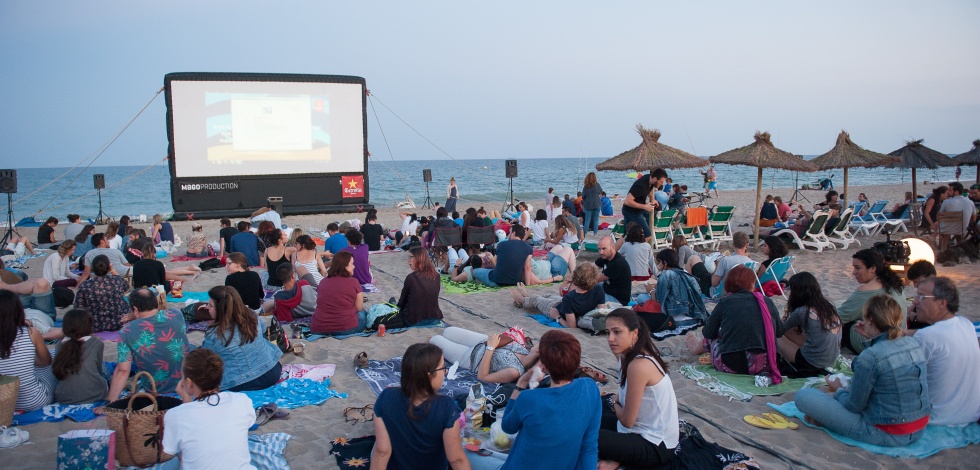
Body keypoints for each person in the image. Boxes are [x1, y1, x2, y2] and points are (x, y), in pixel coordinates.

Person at [795, 294, 929, 447]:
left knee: (804, 396)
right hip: (918, 427)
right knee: (828, 396)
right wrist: (872, 339)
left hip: (886, 431)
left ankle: (825, 418)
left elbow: (854, 405)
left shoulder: (871, 355)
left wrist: (839, 391)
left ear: (870, 320)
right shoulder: (912, 343)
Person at [499, 330, 600, 469]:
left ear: (544, 366)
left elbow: (507, 426)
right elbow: (589, 446)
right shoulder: (590, 388)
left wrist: (521, 383)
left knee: (470, 454)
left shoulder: (529, 398)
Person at [599, 309, 678, 469]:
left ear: (634, 333)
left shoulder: (639, 365)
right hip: (638, 429)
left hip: (655, 444)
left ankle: (616, 459)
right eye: (608, 332)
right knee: (586, 418)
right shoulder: (626, 353)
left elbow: (628, 421)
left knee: (582, 434)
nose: (610, 339)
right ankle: (616, 457)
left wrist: (615, 403)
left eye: (617, 332)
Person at [372, 343, 470, 470]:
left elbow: (382, 451)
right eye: (442, 368)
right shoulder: (447, 407)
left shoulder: (386, 396)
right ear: (429, 375)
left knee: (377, 445)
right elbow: (456, 460)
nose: (445, 372)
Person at [162, 348, 256, 470]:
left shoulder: (174, 415)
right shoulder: (241, 400)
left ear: (189, 383)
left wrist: (186, 400)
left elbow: (175, 453)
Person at [906, 276, 980, 426]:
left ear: (941, 303)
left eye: (921, 296)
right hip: (968, 414)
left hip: (937, 418)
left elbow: (904, 379)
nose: (915, 301)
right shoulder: (966, 325)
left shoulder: (927, 336)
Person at [687, 266, 783, 377]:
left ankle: (695, 349)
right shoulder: (767, 302)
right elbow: (779, 332)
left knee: (711, 338)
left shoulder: (725, 302)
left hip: (732, 365)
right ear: (752, 283)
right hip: (765, 365)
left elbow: (708, 333)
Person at [107, 288, 188, 400]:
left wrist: (109, 402)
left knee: (118, 365)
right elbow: (160, 315)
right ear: (155, 302)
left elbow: (123, 370)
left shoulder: (126, 332)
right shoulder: (176, 314)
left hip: (156, 388)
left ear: (135, 309)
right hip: (185, 382)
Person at [203, 286, 283, 391]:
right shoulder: (252, 316)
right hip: (272, 371)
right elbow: (263, 330)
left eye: (210, 305)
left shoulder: (214, 335)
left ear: (221, 309)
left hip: (240, 383)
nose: (206, 307)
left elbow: (205, 359)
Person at [839, 249, 907, 354]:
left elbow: (840, 316)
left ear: (872, 269)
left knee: (845, 326)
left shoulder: (867, 289)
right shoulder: (895, 285)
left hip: (879, 341)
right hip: (899, 338)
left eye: (857, 268)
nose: (853, 272)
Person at [777, 272, 841, 377]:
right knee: (792, 331)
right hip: (831, 359)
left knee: (776, 336)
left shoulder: (802, 312)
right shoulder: (828, 307)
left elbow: (780, 330)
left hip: (812, 362)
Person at [0, 290, 55, 412]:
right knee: (55, 354)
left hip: (4, 403)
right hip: (33, 401)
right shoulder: (30, 333)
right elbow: (46, 361)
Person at [430, 326, 539, 384]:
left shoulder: (514, 372)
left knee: (435, 339)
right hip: (482, 342)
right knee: (448, 331)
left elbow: (483, 377)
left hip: (472, 359)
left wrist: (490, 348)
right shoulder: (527, 350)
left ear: (539, 352)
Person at [511, 264, 605, 329]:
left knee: (537, 299)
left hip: (555, 309)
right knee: (548, 295)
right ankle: (527, 296)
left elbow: (571, 326)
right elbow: (601, 312)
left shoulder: (570, 298)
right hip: (562, 304)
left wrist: (558, 317)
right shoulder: (598, 290)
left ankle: (521, 300)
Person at [52, 308, 107, 404]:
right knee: (105, 368)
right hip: (96, 394)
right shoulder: (96, 343)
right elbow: (99, 370)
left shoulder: (59, 345)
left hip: (64, 397)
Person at [639, 249, 707, 321]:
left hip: (673, 314)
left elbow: (657, 300)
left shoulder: (665, 274)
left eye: (659, 262)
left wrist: (651, 290)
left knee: (641, 297)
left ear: (665, 263)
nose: (658, 265)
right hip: (692, 314)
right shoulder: (687, 274)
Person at [310, 252, 367, 336]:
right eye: (352, 264)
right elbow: (359, 308)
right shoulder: (354, 282)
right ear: (344, 266)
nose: (354, 266)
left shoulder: (323, 282)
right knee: (362, 313)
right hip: (345, 329)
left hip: (319, 328)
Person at [74, 255, 133, 332]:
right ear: (109, 266)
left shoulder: (85, 285)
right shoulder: (117, 281)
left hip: (95, 323)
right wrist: (112, 270)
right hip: (118, 321)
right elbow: (126, 284)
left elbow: (78, 306)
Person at [397, 247, 443, 326]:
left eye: (410, 257)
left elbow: (402, 302)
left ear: (418, 258)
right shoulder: (436, 276)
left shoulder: (411, 278)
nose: (408, 260)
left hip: (415, 320)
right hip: (434, 318)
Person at [621, 169, 668, 239]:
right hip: (631, 211)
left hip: (637, 209)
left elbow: (649, 189)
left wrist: (652, 199)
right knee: (647, 235)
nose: (662, 184)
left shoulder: (649, 179)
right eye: (661, 182)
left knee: (625, 236)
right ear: (655, 179)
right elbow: (627, 201)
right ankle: (640, 249)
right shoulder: (640, 186)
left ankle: (618, 249)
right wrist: (644, 207)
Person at [709, 231, 753, 297]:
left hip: (720, 293)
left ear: (733, 245)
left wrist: (717, 264)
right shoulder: (751, 262)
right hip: (740, 293)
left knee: (701, 274)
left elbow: (714, 283)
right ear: (747, 245)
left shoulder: (725, 260)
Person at [596, 236, 632, 305]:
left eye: (604, 249)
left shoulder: (617, 263)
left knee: (590, 292)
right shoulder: (606, 257)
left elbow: (595, 279)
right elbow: (590, 267)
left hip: (618, 300)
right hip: (608, 291)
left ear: (613, 247)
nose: (601, 252)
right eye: (599, 249)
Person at [582, 172, 603, 237]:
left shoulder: (586, 187)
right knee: (596, 219)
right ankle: (595, 233)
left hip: (588, 204)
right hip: (597, 203)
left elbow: (583, 196)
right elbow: (601, 192)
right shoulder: (597, 185)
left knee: (587, 220)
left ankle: (585, 233)